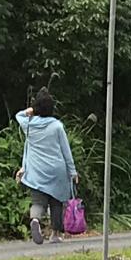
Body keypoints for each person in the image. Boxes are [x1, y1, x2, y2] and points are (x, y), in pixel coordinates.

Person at [15, 88, 78, 244]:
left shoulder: (28, 125)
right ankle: (55, 234)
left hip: (36, 170)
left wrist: (31, 110)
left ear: (36, 108)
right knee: (57, 202)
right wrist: (73, 171)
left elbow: (18, 115)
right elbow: (66, 150)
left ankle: (35, 220)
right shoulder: (57, 126)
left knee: (37, 202)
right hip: (57, 170)